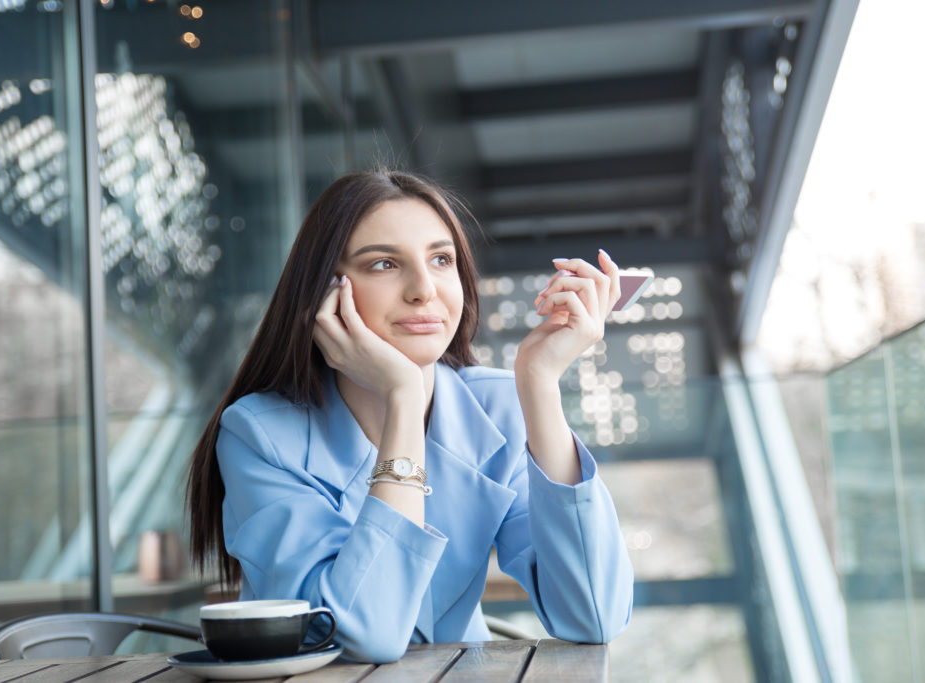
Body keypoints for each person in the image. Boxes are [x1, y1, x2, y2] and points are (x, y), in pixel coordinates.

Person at [186, 169, 634, 663]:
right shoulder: (259, 434)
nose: (424, 289)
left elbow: (594, 615)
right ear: (324, 295)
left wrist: (540, 382)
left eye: (441, 259)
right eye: (383, 264)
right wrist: (402, 397)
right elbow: (360, 635)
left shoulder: (499, 406)